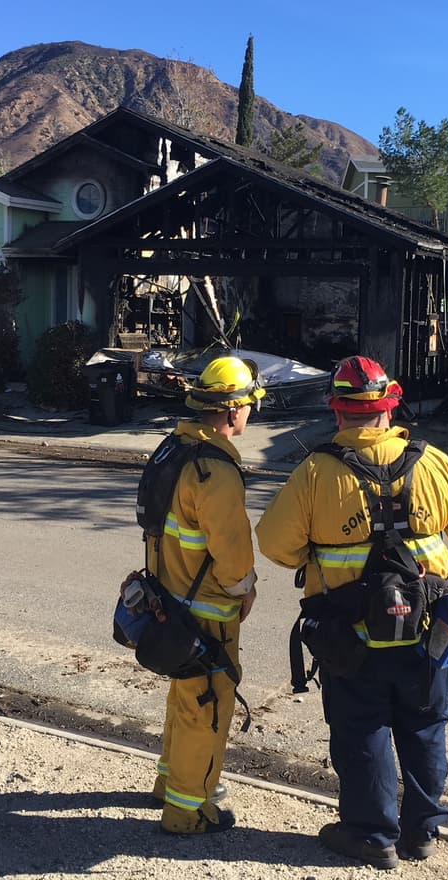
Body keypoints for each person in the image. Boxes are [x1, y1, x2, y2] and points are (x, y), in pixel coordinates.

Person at [255, 355, 448, 870]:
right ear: (390, 407)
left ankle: (370, 835)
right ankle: (423, 833)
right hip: (429, 633)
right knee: (426, 729)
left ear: (338, 411)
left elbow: (274, 544)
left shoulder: (315, 472)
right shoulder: (430, 461)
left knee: (362, 730)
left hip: (350, 638)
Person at [147, 355, 263, 836]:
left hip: (168, 599)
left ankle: (169, 783)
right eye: (249, 406)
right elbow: (232, 551)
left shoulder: (172, 450)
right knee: (208, 708)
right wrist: (246, 589)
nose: (250, 414)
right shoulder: (215, 470)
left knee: (184, 697)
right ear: (234, 410)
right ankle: (188, 811)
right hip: (207, 609)